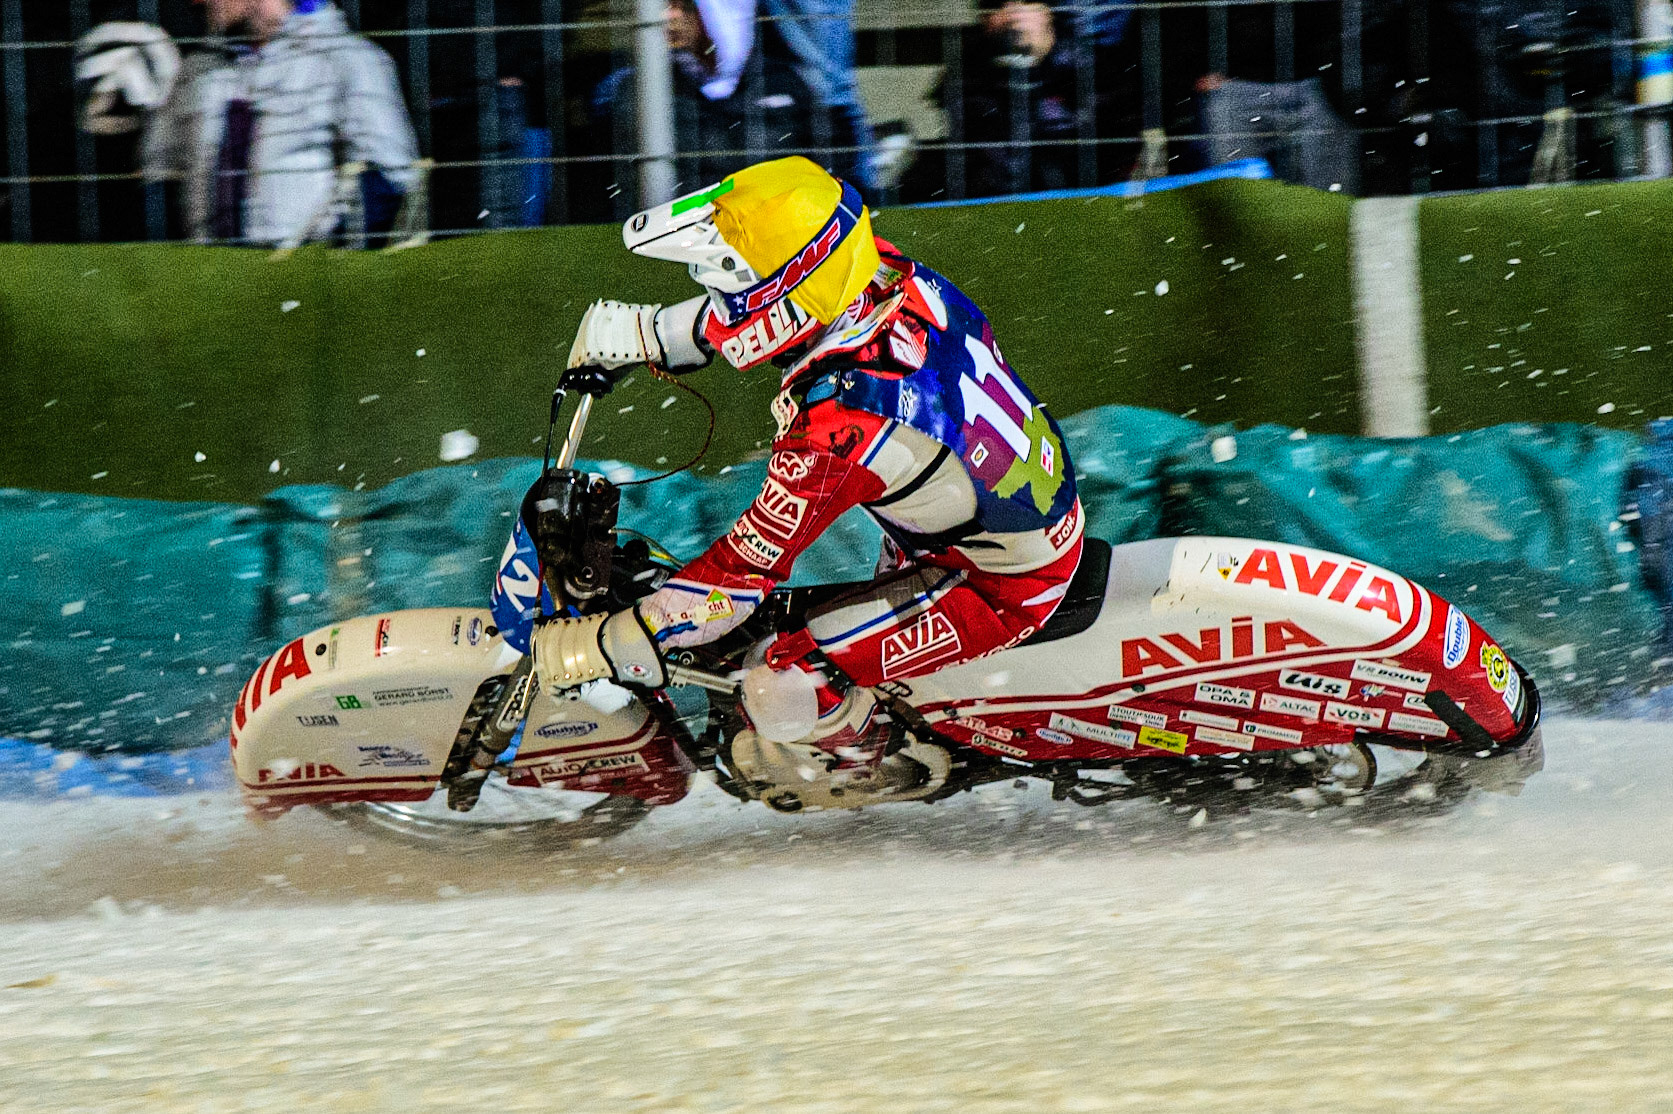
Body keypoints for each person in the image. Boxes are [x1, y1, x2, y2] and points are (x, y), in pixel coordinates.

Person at [532, 156, 1084, 808]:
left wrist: (609, 644)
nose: (722, 301)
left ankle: (861, 767)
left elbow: (735, 579)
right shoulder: (885, 275)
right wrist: (650, 334)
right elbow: (780, 305)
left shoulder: (845, 420)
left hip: (996, 581)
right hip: (987, 516)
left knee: (777, 677)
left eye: (729, 284)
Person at [76, 0, 419, 245]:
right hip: (211, 288)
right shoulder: (197, 72)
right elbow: (158, 179)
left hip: (308, 290)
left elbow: (391, 178)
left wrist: (314, 261)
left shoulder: (348, 61)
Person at [590, 1, 820, 202]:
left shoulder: (783, 83)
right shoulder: (641, 91)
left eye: (686, 6)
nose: (668, 17)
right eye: (665, 5)